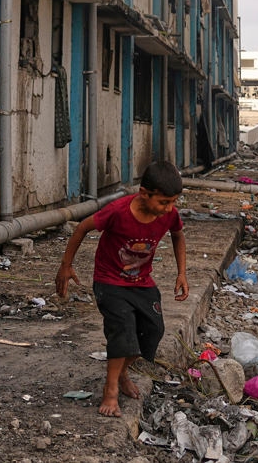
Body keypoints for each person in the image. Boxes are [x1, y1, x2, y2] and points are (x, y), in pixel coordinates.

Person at [56, 162, 189, 417]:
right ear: (143, 193)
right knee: (123, 332)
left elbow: (178, 235)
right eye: (163, 202)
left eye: (173, 201)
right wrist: (66, 266)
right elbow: (83, 227)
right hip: (110, 282)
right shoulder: (118, 211)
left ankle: (123, 371)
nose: (169, 208)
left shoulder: (169, 214)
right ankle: (111, 389)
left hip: (142, 282)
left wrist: (181, 273)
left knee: (153, 331)